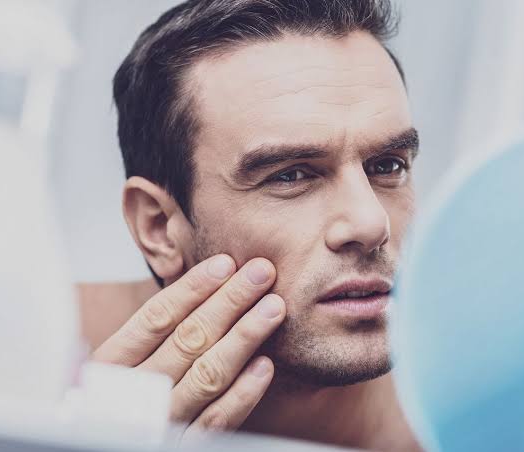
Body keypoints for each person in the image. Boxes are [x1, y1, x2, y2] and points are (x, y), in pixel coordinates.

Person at [83, 1, 421, 450]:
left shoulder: (485, 418)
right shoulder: (21, 366)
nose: (370, 223)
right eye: (290, 175)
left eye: (387, 165)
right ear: (159, 227)